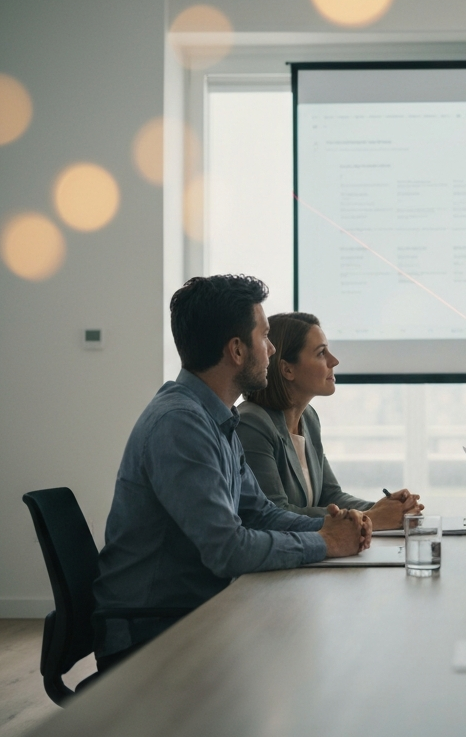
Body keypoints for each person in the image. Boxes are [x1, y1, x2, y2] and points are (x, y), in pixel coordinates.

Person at [93, 276, 371, 672]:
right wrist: (326, 544)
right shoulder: (180, 425)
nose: (272, 350)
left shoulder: (214, 418)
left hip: (196, 612)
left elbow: (260, 512)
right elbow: (227, 551)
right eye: (265, 337)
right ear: (237, 350)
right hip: (153, 634)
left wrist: (332, 529)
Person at [237, 312, 422, 531]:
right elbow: (277, 513)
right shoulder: (252, 424)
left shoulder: (309, 418)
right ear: (287, 369)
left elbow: (330, 495)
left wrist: (386, 509)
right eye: (321, 353)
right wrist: (370, 517)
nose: (334, 361)